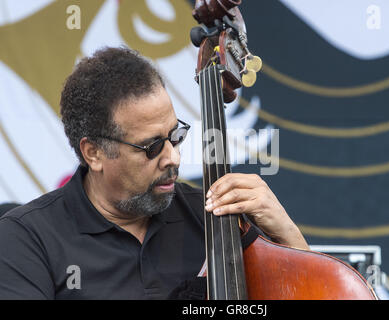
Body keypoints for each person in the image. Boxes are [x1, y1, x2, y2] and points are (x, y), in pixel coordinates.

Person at [0, 47, 308, 299]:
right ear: (93, 152)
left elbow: (311, 292)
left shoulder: (214, 215)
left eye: (176, 136)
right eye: (151, 147)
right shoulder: (26, 239)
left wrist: (288, 235)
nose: (172, 156)